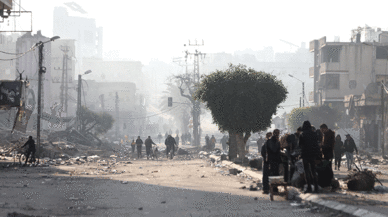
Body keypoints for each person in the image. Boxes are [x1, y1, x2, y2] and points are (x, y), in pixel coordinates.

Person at [299, 121, 320, 193]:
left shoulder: (302, 134)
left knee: (307, 171)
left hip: (305, 155)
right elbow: (317, 144)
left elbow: (300, 145)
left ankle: (309, 187)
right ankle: (316, 187)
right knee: (313, 171)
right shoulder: (314, 133)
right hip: (313, 154)